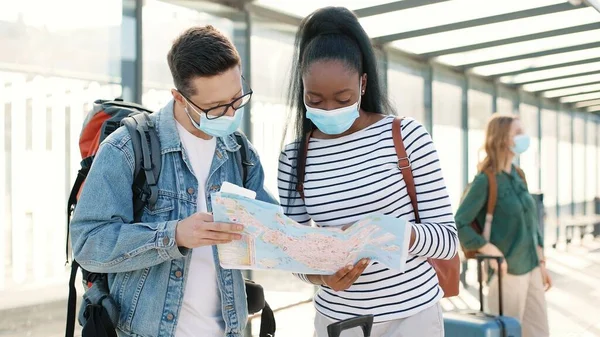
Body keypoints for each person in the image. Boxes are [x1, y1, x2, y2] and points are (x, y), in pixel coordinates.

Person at [70, 25, 275, 337]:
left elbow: (271, 230)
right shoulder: (126, 149)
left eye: (237, 99)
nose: (231, 114)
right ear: (179, 97)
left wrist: (320, 255)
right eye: (217, 108)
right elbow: (88, 243)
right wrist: (174, 235)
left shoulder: (240, 152)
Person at [277, 7, 458, 337]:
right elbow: (294, 253)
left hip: (412, 317)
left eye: (342, 98)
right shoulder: (294, 158)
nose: (328, 109)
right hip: (339, 321)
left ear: (362, 84)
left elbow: (447, 241)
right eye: (314, 99)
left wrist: (393, 233)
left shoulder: (406, 137)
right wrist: (320, 276)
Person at [455, 113, 551, 337]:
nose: (524, 137)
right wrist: (490, 250)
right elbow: (460, 223)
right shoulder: (484, 181)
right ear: (501, 139)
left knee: (539, 332)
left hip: (533, 267)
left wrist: (542, 261)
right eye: (518, 133)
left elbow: (531, 222)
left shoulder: (518, 175)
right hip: (507, 272)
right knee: (509, 333)